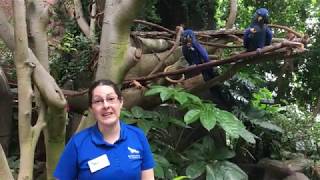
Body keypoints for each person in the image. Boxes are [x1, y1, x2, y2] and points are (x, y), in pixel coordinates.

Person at [54, 79, 155, 180]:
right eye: (98, 101)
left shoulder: (137, 136)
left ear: (120, 102)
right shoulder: (78, 143)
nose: (106, 106)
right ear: (91, 108)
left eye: (111, 99)